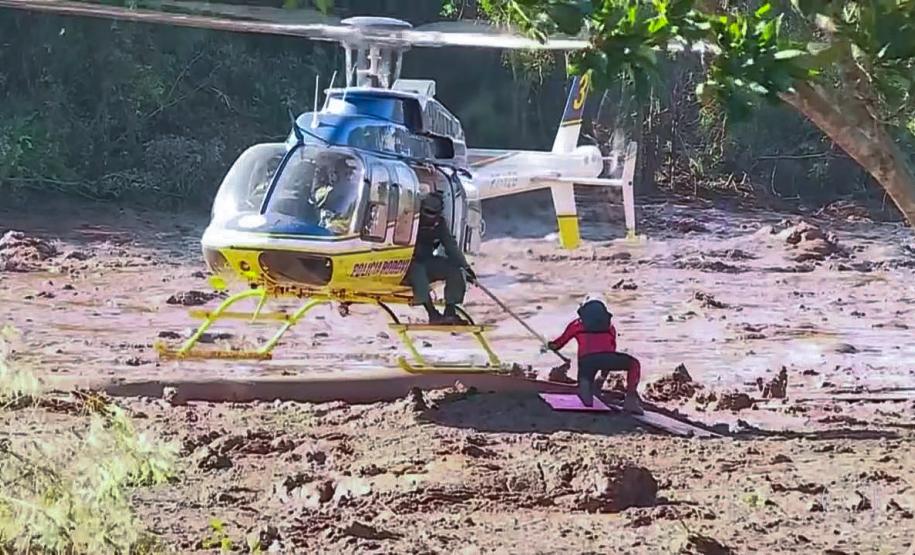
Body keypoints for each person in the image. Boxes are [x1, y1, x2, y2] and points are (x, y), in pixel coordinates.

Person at [546, 293, 644, 414]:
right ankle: (630, 400)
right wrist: (602, 377)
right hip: (606, 359)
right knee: (634, 363)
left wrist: (549, 345)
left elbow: (558, 344)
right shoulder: (609, 327)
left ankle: (587, 393)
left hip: (586, 364)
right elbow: (611, 350)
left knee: (586, 402)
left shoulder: (577, 325)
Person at [409, 191, 476, 325]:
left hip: (427, 261)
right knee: (417, 270)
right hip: (405, 264)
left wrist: (465, 267)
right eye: (426, 212)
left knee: (454, 268)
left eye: (433, 214)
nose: (429, 217)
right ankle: (432, 313)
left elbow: (450, 246)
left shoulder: (439, 224)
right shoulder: (411, 220)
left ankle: (450, 311)